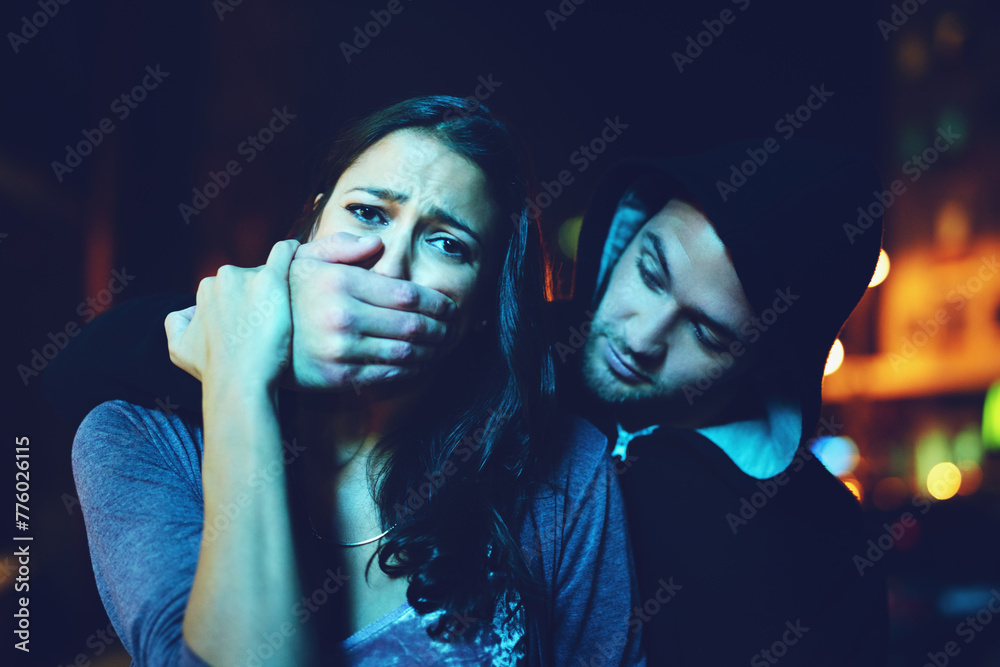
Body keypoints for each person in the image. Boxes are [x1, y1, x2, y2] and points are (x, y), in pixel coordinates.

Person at [67, 96, 643, 666]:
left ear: (487, 306)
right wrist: (242, 373)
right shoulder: (134, 442)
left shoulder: (567, 471)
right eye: (368, 213)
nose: (390, 267)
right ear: (313, 225)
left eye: (447, 243)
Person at [560, 139, 890, 664]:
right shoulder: (497, 378)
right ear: (626, 232)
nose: (643, 338)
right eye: (649, 273)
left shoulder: (829, 552)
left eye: (707, 333)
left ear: (769, 365)